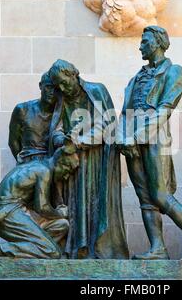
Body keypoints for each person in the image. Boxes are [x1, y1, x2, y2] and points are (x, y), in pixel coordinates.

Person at [117, 25, 182, 261]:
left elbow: (164, 110)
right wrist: (121, 138)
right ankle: (158, 248)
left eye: (145, 41)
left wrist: (137, 135)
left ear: (159, 43)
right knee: (145, 198)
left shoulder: (173, 72)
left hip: (154, 138)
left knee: (160, 195)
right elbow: (124, 113)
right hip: (131, 142)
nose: (140, 45)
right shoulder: (136, 78)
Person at [48, 59, 129, 259]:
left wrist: (79, 140)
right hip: (72, 162)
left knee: (96, 203)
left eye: (64, 82)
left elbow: (108, 126)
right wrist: (61, 139)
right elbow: (55, 129)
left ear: (74, 74)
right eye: (58, 85)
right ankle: (77, 249)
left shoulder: (96, 91)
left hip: (97, 160)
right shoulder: (62, 100)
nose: (62, 88)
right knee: (75, 204)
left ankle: (98, 249)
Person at [0, 143, 79, 263]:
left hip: (14, 210)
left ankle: (33, 250)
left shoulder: (37, 166)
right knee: (52, 252)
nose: (65, 177)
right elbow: (42, 208)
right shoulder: (44, 171)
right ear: (60, 162)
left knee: (61, 225)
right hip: (8, 214)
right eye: (67, 171)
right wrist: (60, 212)